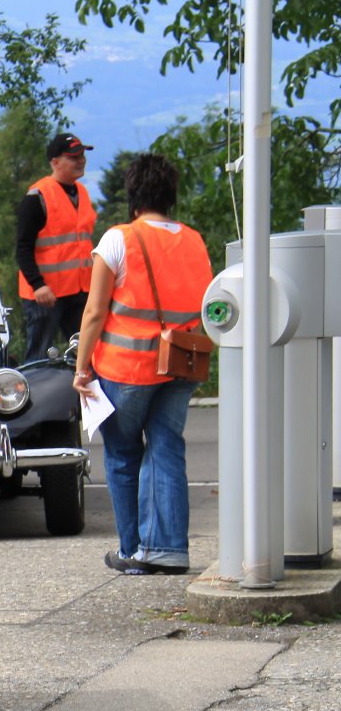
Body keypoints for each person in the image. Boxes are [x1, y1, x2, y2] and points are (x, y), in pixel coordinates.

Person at [72, 153, 213, 576]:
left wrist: (81, 368)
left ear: (133, 196)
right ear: (171, 196)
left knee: (122, 453)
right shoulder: (194, 241)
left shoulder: (119, 239)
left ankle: (134, 551)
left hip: (127, 370)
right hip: (181, 364)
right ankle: (169, 550)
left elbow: (95, 312)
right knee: (167, 447)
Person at [17, 133, 97, 361]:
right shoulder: (37, 197)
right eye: (73, 157)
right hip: (45, 295)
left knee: (86, 355)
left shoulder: (82, 193)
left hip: (79, 291)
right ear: (55, 162)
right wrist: (38, 285)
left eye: (82, 156)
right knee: (39, 357)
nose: (80, 161)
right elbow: (23, 247)